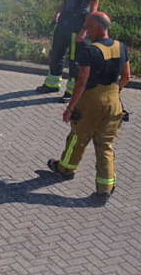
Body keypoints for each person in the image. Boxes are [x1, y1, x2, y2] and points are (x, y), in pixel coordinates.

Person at [47, 12, 131, 204]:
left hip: (91, 103)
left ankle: (65, 169)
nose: (85, 29)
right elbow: (126, 76)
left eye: (87, 26)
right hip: (114, 103)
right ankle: (105, 189)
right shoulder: (121, 47)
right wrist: (114, 92)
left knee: (78, 138)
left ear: (99, 27)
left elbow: (81, 82)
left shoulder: (90, 51)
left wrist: (70, 108)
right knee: (105, 146)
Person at [36, 0, 100, 102]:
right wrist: (58, 12)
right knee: (56, 53)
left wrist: (84, 29)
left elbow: (93, 9)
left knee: (75, 59)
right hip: (65, 19)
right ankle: (52, 83)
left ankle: (72, 92)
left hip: (79, 22)